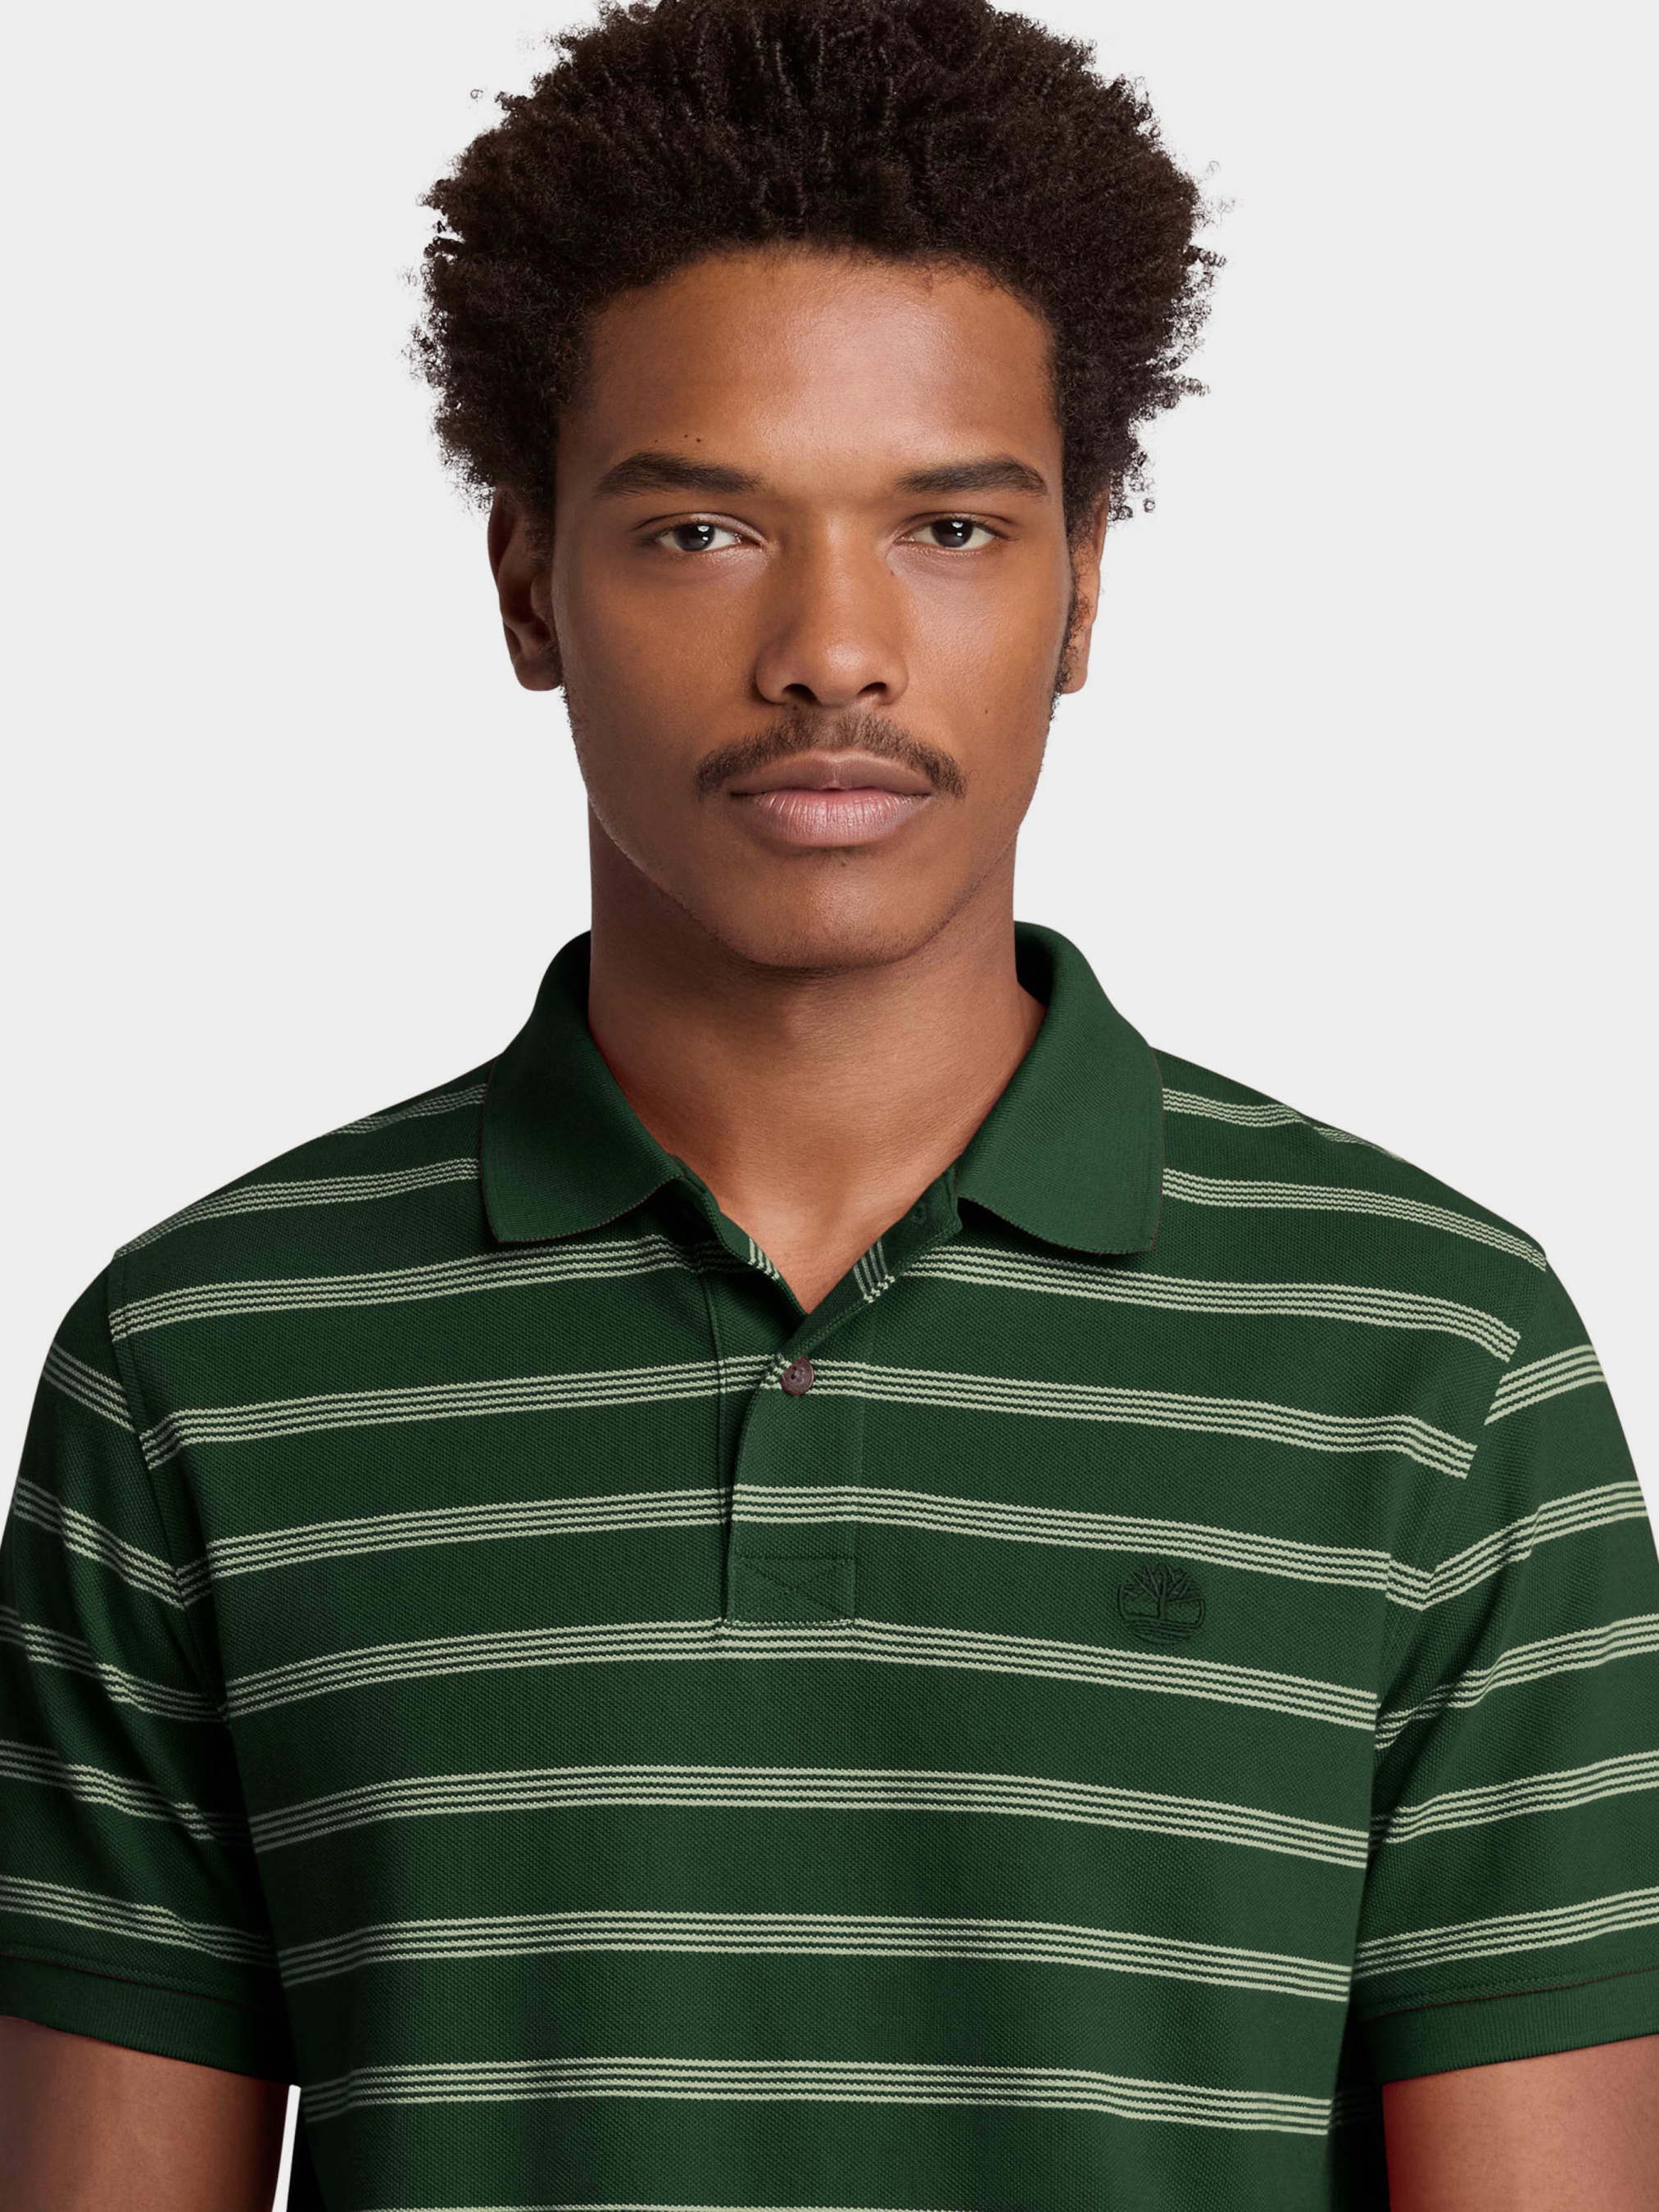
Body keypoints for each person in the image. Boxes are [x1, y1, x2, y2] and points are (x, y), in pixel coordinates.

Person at [2, 0, 1657, 2203]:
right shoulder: (200, 1363)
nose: (833, 650)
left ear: (1083, 591)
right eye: (702, 530)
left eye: (949, 527)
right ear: (527, 580)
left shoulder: (1434, 1358)